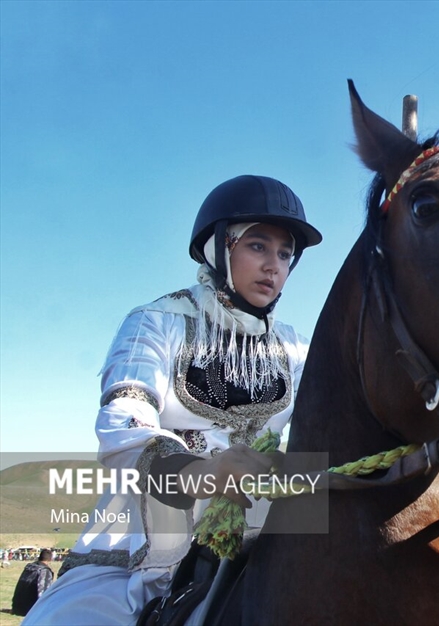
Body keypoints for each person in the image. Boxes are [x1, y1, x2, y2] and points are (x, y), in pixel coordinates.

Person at [24, 175, 321, 625]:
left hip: (261, 536)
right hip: (140, 548)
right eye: (258, 246)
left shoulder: (298, 350)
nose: (274, 266)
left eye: (284, 254)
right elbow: (123, 429)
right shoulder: (153, 324)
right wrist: (206, 471)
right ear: (218, 247)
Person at [11, 549, 55, 616]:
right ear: (50, 559)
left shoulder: (29, 567)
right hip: (30, 609)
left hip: (17, 606)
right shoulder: (44, 571)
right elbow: (43, 592)